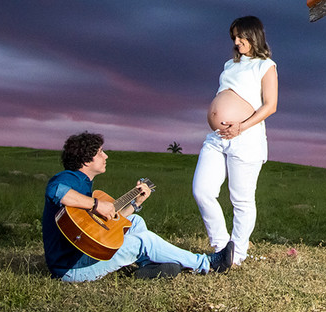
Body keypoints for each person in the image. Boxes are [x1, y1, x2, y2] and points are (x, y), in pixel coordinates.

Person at [42, 131, 229, 281]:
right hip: (71, 269)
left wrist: (136, 202)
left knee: (135, 222)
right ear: (86, 160)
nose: (106, 155)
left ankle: (147, 266)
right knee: (144, 240)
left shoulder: (84, 185)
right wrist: (97, 204)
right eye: (100, 152)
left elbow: (110, 224)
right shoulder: (70, 178)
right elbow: (54, 190)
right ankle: (207, 263)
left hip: (84, 253)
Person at [192, 15, 278, 268]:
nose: (237, 42)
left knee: (241, 199)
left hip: (246, 139)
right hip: (217, 138)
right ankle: (221, 246)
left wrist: (241, 125)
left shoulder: (266, 66)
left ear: (254, 36)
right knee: (202, 190)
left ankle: (237, 253)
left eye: (241, 37)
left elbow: (270, 106)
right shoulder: (230, 65)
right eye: (234, 37)